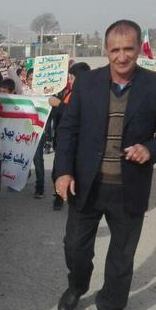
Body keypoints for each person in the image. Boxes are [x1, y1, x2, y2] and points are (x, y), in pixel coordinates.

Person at [54, 19, 156, 310]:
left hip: (129, 186)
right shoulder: (87, 83)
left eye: (128, 49)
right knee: (75, 247)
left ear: (138, 49)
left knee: (122, 256)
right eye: (115, 50)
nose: (122, 57)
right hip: (88, 184)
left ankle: (110, 308)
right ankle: (77, 285)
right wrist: (64, 171)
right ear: (106, 51)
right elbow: (68, 130)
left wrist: (149, 149)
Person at [49, 62, 91, 210]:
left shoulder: (88, 95)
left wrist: (59, 105)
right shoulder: (70, 92)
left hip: (77, 144)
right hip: (62, 141)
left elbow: (78, 115)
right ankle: (59, 196)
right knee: (58, 171)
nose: (70, 81)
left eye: (72, 78)